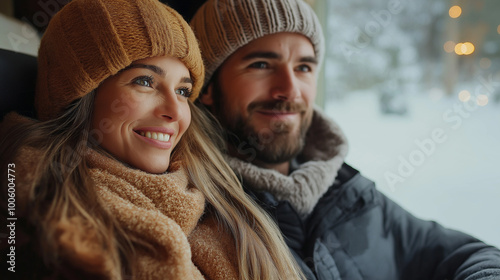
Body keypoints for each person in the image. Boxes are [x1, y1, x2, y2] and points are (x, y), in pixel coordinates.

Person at [190, 0, 500, 279]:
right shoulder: (195, 213)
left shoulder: (342, 188)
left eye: (304, 67)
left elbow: (465, 253)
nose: (291, 89)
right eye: (261, 65)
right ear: (207, 86)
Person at [0, 0, 306, 279]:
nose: (175, 111)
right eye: (145, 81)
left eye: (183, 91)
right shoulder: (43, 233)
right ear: (82, 97)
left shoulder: (222, 205)